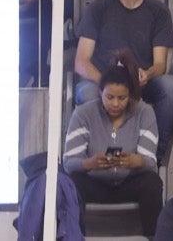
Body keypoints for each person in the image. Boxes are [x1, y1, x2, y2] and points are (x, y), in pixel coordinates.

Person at [72, 0, 173, 150]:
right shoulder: (98, 8)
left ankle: (153, 155)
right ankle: (97, 154)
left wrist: (147, 74)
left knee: (169, 86)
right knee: (84, 93)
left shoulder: (158, 12)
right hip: (102, 83)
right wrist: (106, 83)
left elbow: (160, 64)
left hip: (140, 84)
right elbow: (81, 62)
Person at [64, 62, 164, 238]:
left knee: (153, 183)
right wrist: (90, 163)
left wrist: (136, 161)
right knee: (72, 183)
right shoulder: (83, 114)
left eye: (122, 98)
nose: (116, 104)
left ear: (130, 96)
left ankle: (154, 237)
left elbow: (150, 162)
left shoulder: (144, 112)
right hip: (95, 183)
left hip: (130, 183)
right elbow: (69, 163)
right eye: (109, 97)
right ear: (100, 92)